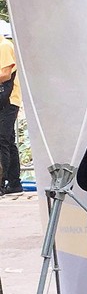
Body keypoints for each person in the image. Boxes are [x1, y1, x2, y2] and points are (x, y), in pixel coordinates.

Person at [0, 28, 22, 195]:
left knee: (2, 141)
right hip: (7, 100)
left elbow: (5, 74)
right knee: (8, 141)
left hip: (8, 100)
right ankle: (14, 182)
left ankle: (1, 183)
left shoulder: (4, 46)